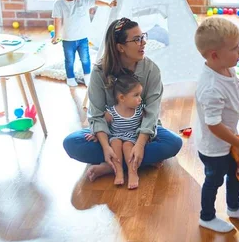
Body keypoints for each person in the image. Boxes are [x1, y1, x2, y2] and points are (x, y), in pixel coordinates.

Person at [62, 17, 182, 182]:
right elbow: (96, 114)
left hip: (141, 132)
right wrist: (105, 147)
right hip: (112, 134)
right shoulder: (99, 72)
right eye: (137, 39)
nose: (143, 43)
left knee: (173, 143)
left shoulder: (151, 70)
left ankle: (110, 166)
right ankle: (131, 161)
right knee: (71, 144)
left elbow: (151, 113)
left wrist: (140, 144)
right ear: (120, 47)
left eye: (143, 37)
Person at [194, 17, 239, 233]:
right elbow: (213, 125)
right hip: (214, 148)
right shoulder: (211, 87)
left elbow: (235, 100)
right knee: (214, 180)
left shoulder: (228, 71)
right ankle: (207, 216)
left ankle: (233, 208)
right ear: (215, 55)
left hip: (229, 142)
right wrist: (238, 143)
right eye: (234, 48)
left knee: (234, 174)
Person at [52, 0, 117, 87]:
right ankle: (70, 77)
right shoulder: (59, 4)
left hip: (82, 38)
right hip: (68, 39)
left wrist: (108, 4)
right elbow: (57, 21)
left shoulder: (83, 0)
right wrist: (57, 36)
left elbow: (96, 2)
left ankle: (87, 77)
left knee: (86, 59)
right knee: (69, 60)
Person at [104, 72, 145, 189]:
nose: (140, 99)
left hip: (131, 137)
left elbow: (149, 123)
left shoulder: (139, 111)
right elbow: (102, 125)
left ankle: (133, 173)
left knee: (127, 146)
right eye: (136, 95)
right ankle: (119, 172)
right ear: (122, 98)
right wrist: (94, 134)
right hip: (115, 136)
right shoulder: (111, 112)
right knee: (115, 143)